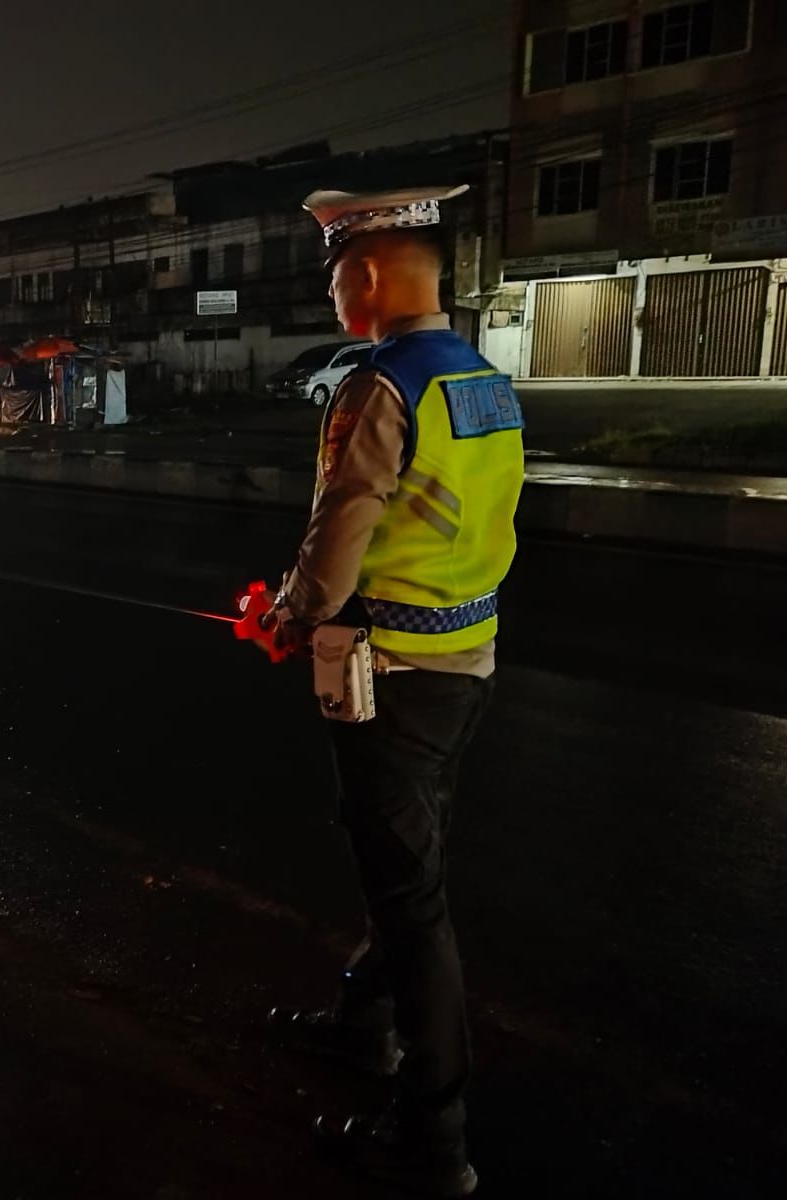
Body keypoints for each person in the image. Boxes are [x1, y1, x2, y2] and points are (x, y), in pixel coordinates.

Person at [264, 185, 525, 1198]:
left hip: (389, 676)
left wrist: (291, 615)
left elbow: (340, 531)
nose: (335, 293)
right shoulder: (487, 383)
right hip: (467, 662)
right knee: (400, 858)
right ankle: (358, 1026)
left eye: (335, 275)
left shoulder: (378, 385)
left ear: (368, 276)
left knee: (409, 898)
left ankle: (435, 1136)